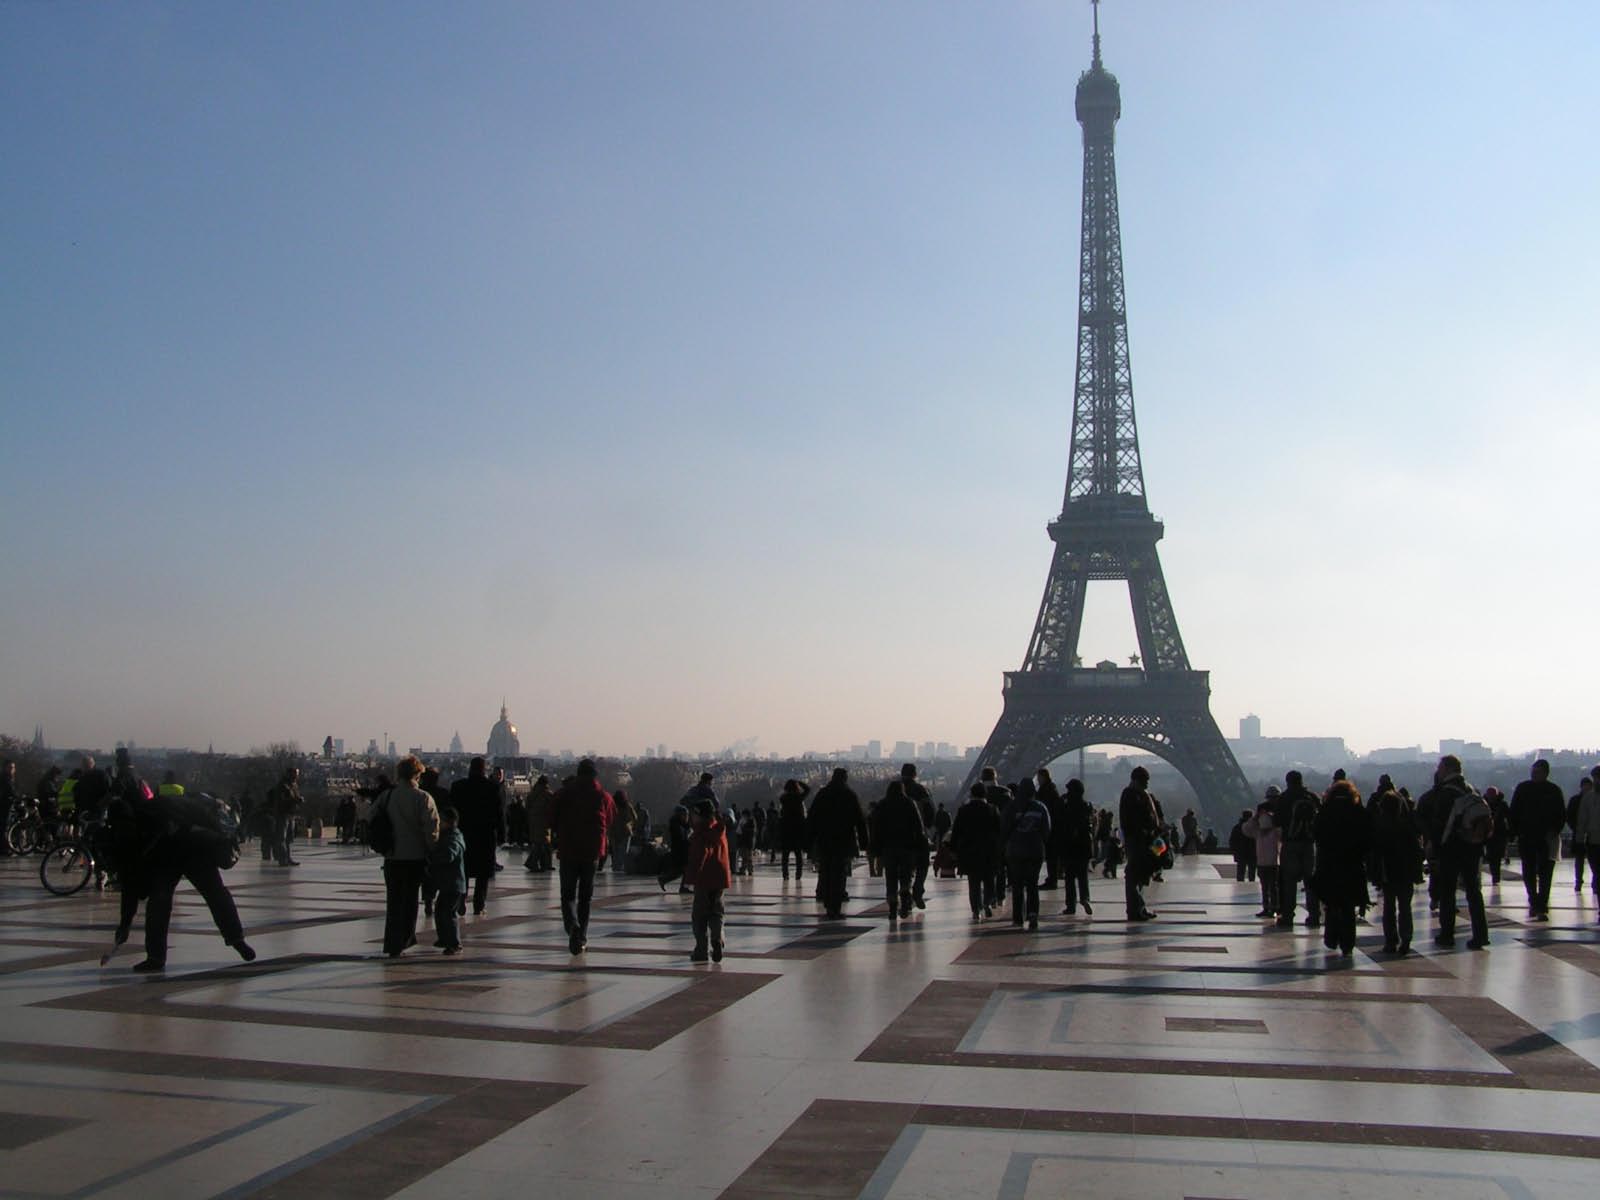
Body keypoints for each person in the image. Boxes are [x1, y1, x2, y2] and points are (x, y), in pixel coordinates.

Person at [108, 748, 256, 971]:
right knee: (216, 894)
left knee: (159, 902)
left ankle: (156, 957)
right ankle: (236, 938)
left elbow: (130, 881)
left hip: (168, 856)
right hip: (195, 848)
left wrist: (125, 923)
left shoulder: (134, 830)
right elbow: (207, 820)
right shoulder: (166, 804)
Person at [545, 759, 615, 955]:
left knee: (567, 895)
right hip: (592, 851)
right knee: (586, 897)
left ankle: (572, 926)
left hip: (568, 848)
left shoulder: (565, 793)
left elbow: (551, 817)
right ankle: (582, 936)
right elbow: (610, 818)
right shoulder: (603, 796)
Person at [376, 756, 440, 958]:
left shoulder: (387, 796)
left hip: (392, 856)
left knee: (393, 901)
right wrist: (432, 850)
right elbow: (431, 830)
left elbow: (369, 816)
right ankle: (404, 939)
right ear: (417, 774)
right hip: (415, 857)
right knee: (410, 900)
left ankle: (392, 942)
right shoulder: (423, 798)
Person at [1431, 756, 1491, 949]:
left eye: (1440, 767)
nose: (1438, 771)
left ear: (1447, 769)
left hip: (1451, 848)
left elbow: (1439, 824)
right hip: (1472, 847)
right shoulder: (1471, 789)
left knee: (1447, 891)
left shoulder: (1445, 793)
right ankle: (1480, 934)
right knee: (1474, 892)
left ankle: (1447, 934)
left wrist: (1435, 848)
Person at [1312, 779, 1369, 958]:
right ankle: (1348, 943)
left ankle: (1331, 936)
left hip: (1329, 863)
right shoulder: (1358, 812)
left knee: (1331, 903)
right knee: (1348, 906)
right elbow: (1367, 838)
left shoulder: (1325, 812)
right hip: (1351, 864)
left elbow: (1317, 835)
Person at [807, 768, 869, 920]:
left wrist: (809, 840)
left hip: (825, 839)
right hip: (844, 840)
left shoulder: (822, 794)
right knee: (840, 874)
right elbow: (859, 820)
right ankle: (835, 905)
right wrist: (864, 841)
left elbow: (812, 818)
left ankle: (828, 902)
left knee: (826, 871)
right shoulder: (849, 795)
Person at [1508, 759, 1566, 921]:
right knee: (1531, 872)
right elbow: (1514, 812)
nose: (1534, 775)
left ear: (1545, 773)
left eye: (1537, 772)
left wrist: (1553, 831)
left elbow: (1561, 814)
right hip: (1530, 836)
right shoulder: (1551, 790)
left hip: (1543, 837)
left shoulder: (1528, 789)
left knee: (1543, 872)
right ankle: (1536, 901)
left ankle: (1540, 903)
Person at [449, 758, 506, 915]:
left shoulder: (458, 787)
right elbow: (499, 814)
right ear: (484, 769)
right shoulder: (493, 788)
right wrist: (502, 834)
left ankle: (461, 900)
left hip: (464, 834)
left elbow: (451, 813)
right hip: (485, 835)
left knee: (463, 870)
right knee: (483, 873)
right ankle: (479, 904)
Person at [1371, 785, 1423, 955]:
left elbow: (1375, 853)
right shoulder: (1406, 827)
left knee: (1389, 907)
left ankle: (1390, 941)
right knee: (1405, 907)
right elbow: (1417, 851)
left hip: (1388, 872)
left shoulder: (1379, 828)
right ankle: (1406, 939)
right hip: (1406, 872)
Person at [682, 799, 731, 961]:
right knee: (717, 912)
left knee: (699, 916)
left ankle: (701, 950)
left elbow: (699, 856)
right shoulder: (719, 829)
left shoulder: (701, 833)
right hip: (720, 878)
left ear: (699, 816)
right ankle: (717, 938)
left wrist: (690, 877)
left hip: (703, 879)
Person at [872, 779, 928, 921]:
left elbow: (876, 828)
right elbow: (918, 826)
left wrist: (875, 847)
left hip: (888, 846)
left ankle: (892, 906)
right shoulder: (909, 803)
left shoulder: (882, 804)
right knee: (906, 875)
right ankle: (905, 901)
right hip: (907, 846)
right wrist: (921, 844)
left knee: (890, 877)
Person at [1274, 771, 1321, 929]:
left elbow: (1277, 821)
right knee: (1311, 883)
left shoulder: (1284, 798)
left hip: (1291, 842)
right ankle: (1314, 915)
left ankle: (1288, 916)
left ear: (1287, 782)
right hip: (1308, 843)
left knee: (1289, 882)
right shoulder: (1311, 797)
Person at [1002, 780, 1051, 930]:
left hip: (1015, 850)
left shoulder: (1011, 806)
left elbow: (1004, 828)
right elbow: (1046, 830)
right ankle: (1033, 914)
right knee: (1032, 884)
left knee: (1017, 885)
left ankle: (1018, 917)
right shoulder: (1041, 807)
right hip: (1035, 850)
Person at [951, 783, 1001, 919]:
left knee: (973, 883)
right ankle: (987, 903)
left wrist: (953, 849)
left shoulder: (963, 810)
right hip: (989, 852)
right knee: (989, 880)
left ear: (972, 794)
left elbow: (956, 832)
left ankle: (975, 910)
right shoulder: (993, 809)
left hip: (970, 851)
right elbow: (999, 832)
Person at [1118, 766, 1159, 921]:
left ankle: (1138, 908)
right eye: (1145, 781)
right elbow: (1131, 820)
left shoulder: (1136, 794)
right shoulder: (1132, 794)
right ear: (1137, 780)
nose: (1147, 784)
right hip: (1137, 840)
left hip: (1141, 839)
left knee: (1139, 874)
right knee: (1135, 874)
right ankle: (1135, 910)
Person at [429, 807, 466, 955]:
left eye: (441, 821)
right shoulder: (448, 835)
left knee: (448, 913)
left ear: (449, 822)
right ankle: (444, 938)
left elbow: (450, 854)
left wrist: (435, 857)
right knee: (440, 911)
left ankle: (454, 943)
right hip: (448, 883)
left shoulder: (454, 837)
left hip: (454, 883)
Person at [901, 764, 935, 909]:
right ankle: (917, 891)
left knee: (905, 868)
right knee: (922, 865)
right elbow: (930, 812)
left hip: (900, 835)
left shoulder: (895, 790)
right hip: (919, 834)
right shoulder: (921, 790)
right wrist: (927, 827)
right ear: (915, 774)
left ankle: (905, 893)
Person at [1058, 778, 1094, 916]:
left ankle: (1070, 905)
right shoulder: (1086, 806)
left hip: (1069, 846)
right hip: (1083, 846)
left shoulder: (1066, 806)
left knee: (1069, 878)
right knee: (1082, 876)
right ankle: (1085, 898)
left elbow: (1060, 822)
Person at [1245, 790, 1281, 919]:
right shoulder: (1265, 832)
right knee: (1269, 887)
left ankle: (1271, 908)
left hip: (1268, 862)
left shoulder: (1264, 832)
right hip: (1269, 862)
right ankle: (1270, 908)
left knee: (1269, 887)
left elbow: (1246, 829)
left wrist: (1257, 817)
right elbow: (1247, 829)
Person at [265, 766, 303, 867]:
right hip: (283, 814)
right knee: (281, 837)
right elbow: (281, 801)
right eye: (295, 774)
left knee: (288, 839)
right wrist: (295, 800)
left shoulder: (293, 785)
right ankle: (282, 859)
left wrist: (297, 800)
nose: (296, 777)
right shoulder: (282, 785)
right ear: (289, 774)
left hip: (291, 814)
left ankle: (287, 858)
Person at [1036, 768, 1065, 889]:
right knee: (1052, 856)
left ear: (1042, 777)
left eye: (1039, 777)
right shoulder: (1052, 790)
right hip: (1054, 828)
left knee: (1051, 856)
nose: (1037, 780)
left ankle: (1052, 879)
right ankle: (1052, 878)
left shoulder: (1045, 791)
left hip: (1050, 828)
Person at [1576, 769, 1600, 908]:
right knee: (1597, 874)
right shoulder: (1588, 798)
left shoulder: (1589, 798)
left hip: (1593, 841)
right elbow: (1582, 820)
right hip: (1593, 841)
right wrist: (1580, 839)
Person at [777, 779, 810, 881]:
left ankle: (785, 874)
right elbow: (808, 789)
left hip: (786, 829)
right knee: (798, 855)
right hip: (797, 829)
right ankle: (798, 874)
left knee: (785, 855)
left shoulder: (783, 799)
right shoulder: (798, 798)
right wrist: (799, 782)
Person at [522, 775, 554, 872]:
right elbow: (552, 808)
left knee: (539, 843)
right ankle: (536, 863)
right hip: (545, 823)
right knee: (544, 844)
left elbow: (527, 807)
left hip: (533, 822)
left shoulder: (532, 793)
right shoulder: (548, 794)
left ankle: (543, 864)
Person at [658, 802, 692, 893]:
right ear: (680, 815)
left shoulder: (681, 825)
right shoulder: (676, 826)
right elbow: (681, 839)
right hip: (679, 851)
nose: (687, 817)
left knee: (680, 871)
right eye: (685, 815)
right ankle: (683, 887)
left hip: (682, 850)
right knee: (685, 869)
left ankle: (664, 879)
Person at [1483, 786, 1511, 885]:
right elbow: (1509, 818)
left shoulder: (1483, 804)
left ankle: (1495, 875)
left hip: (1495, 833)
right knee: (1494, 856)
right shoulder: (1502, 804)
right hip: (1497, 833)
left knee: (1494, 856)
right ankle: (1496, 876)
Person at [1569, 777, 1592, 894]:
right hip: (1590, 835)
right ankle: (1581, 881)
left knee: (1579, 861)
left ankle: (1579, 881)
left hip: (1579, 834)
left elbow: (1570, 816)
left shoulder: (1575, 800)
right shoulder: (1593, 800)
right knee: (1586, 860)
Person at [611, 788, 638, 874]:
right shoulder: (627, 805)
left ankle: (615, 867)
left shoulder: (612, 805)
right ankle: (622, 867)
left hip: (614, 831)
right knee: (624, 851)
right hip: (626, 831)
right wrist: (630, 824)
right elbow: (635, 817)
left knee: (615, 851)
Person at [1228, 809, 1256, 883]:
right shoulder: (1254, 827)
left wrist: (1234, 851)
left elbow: (1232, 840)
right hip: (1252, 852)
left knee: (1240, 871)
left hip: (1240, 852)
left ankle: (1240, 884)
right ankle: (1251, 884)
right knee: (1252, 872)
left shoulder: (1237, 827)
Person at [0, 759, 16, 855]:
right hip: (4, 805)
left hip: (5, 804)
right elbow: (9, 791)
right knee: (4, 827)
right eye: (10, 767)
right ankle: (4, 848)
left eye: (13, 767)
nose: (12, 769)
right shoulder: (5, 778)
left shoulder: (7, 778)